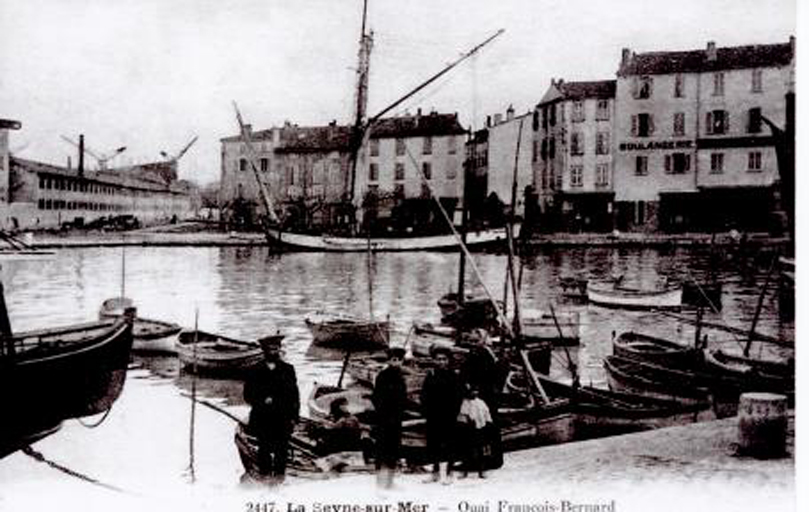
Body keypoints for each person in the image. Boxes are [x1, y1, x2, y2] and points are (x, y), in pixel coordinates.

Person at [243, 335, 300, 484]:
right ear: (264, 350)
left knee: (282, 449)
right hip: (263, 417)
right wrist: (262, 400)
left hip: (283, 417)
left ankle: (280, 478)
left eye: (277, 349)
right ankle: (265, 477)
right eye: (271, 349)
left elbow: (295, 396)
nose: (274, 352)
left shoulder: (288, 369)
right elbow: (247, 395)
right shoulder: (254, 370)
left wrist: (295, 418)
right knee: (264, 448)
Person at [419, 346, 462, 484]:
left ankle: (446, 474)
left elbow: (458, 396)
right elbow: (424, 395)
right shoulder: (431, 375)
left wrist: (453, 412)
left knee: (447, 443)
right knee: (433, 443)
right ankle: (435, 472)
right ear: (434, 361)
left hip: (448, 415)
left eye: (444, 359)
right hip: (433, 414)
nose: (441, 362)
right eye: (438, 359)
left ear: (448, 360)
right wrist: (426, 410)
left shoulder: (453, 376)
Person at [371, 347, 408, 489]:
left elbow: (402, 398)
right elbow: (377, 398)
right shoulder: (382, 376)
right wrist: (384, 414)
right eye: (394, 360)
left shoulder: (400, 376)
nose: (396, 362)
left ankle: (390, 481)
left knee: (393, 449)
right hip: (385, 418)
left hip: (396, 418)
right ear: (389, 360)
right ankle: (380, 481)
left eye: (399, 360)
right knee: (382, 450)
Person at [457, 384, 493, 479]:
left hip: (481, 428)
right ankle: (465, 472)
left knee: (482, 451)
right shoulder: (465, 403)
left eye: (476, 391)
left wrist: (488, 424)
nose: (474, 393)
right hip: (470, 430)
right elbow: (463, 416)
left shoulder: (481, 402)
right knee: (468, 451)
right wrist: (467, 425)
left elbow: (487, 414)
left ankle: (482, 471)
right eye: (472, 391)